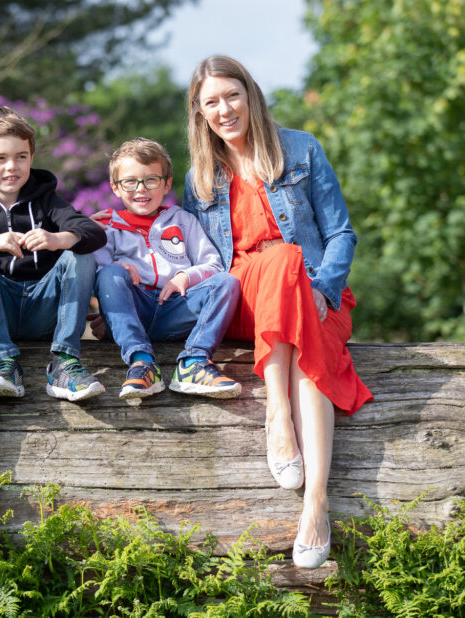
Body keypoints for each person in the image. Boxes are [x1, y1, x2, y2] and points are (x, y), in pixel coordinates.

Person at [183, 55, 373, 569]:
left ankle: (316, 504)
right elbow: (195, 260)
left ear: (250, 94)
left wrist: (325, 287)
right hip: (245, 301)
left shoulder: (301, 149)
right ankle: (277, 412)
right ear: (200, 114)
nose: (225, 109)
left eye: (232, 96)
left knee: (293, 270)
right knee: (281, 259)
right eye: (212, 103)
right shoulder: (199, 178)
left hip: (313, 293)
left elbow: (341, 234)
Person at [0, 106, 108, 402]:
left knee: (80, 253)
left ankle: (64, 362)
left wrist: (56, 239)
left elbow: (94, 233)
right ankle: (4, 363)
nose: (11, 166)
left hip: (44, 308)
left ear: (31, 159)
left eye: (20, 157)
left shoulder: (47, 199)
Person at [93, 137, 242, 400]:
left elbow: (213, 264)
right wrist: (118, 266)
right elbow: (97, 275)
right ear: (115, 188)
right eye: (130, 181)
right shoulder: (108, 227)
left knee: (226, 282)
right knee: (110, 274)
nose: (141, 189)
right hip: (135, 308)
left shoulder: (183, 220)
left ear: (167, 184)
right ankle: (142, 362)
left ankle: (194, 362)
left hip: (177, 307)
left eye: (151, 180)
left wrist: (186, 275)